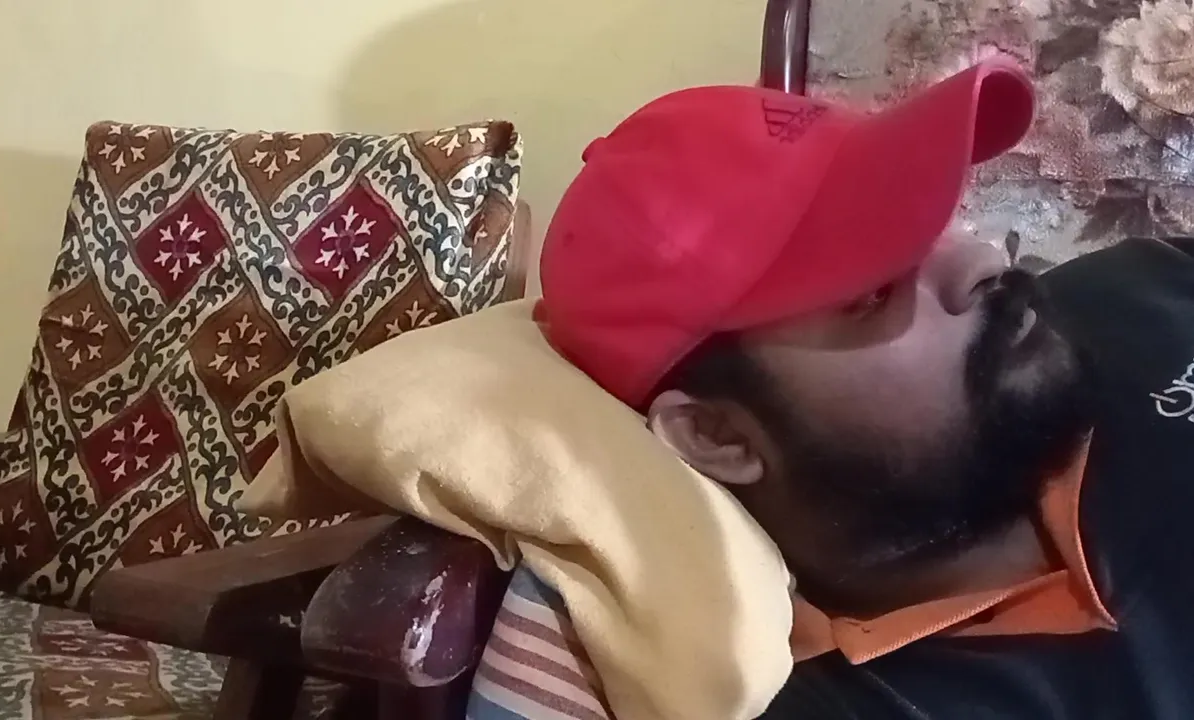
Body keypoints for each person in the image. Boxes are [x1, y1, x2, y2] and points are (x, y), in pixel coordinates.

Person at [469, 57, 1194, 719]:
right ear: (718, 436)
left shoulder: (1147, 288)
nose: (982, 261)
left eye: (933, 217)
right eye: (872, 292)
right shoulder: (826, 702)